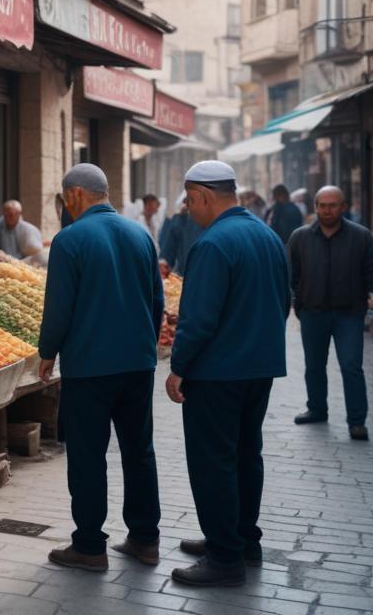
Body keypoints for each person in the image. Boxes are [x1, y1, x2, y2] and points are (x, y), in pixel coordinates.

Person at [166, 160, 289, 588]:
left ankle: (224, 557)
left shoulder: (213, 243)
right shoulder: (268, 235)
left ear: (202, 195)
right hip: (260, 368)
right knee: (244, 454)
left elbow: (197, 319)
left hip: (219, 372)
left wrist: (178, 368)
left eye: (188, 199)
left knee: (213, 462)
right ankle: (241, 539)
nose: (187, 207)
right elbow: (284, 301)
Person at [39, 164, 164, 573]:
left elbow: (59, 308)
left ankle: (90, 546)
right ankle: (146, 539)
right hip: (138, 364)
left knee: (89, 454)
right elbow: (156, 302)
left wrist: (47, 352)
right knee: (139, 450)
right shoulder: (140, 235)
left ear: (74, 195)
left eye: (64, 199)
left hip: (91, 366)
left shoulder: (69, 239)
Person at [288, 185, 373, 441]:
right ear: (315, 207)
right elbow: (292, 274)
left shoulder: (361, 237)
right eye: (322, 205)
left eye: (333, 205)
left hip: (349, 314)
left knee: (351, 366)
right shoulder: (300, 237)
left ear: (343, 207)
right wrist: (299, 301)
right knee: (314, 365)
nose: (327, 210)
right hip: (313, 313)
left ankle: (357, 421)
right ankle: (317, 408)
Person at [157, 194, 201, 276]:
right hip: (185, 276)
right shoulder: (182, 219)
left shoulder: (219, 222)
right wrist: (164, 263)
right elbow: (168, 251)